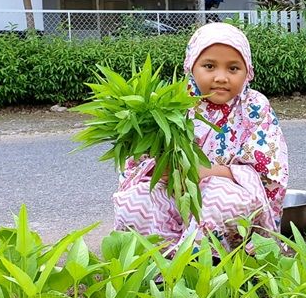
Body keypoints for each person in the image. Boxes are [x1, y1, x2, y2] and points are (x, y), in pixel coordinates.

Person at [113, 22, 289, 253]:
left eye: (233, 68)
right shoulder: (170, 103)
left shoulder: (254, 107)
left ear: (248, 72)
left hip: (230, 188)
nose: (221, 77)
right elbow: (139, 158)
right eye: (209, 66)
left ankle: (205, 262)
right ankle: (159, 264)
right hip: (173, 190)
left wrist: (205, 172)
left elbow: (269, 172)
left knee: (219, 202)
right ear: (191, 67)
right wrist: (161, 169)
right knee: (136, 202)